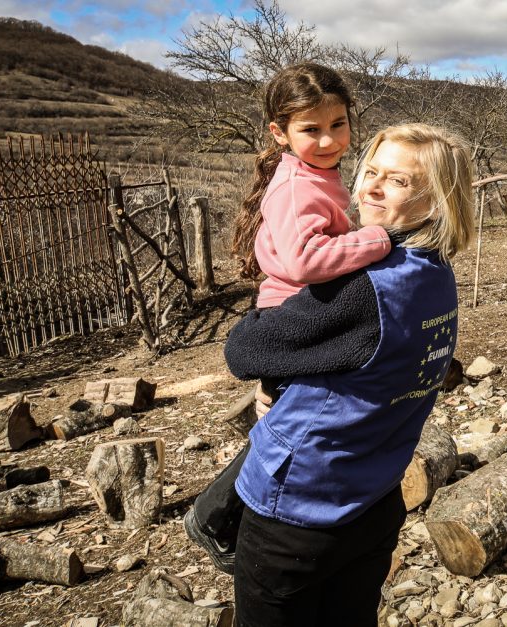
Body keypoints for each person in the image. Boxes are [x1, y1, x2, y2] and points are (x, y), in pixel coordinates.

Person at [224, 123, 475, 626]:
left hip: (298, 510)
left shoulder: (363, 289)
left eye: (399, 181)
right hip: (376, 497)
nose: (372, 189)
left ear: (437, 200)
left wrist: (279, 292)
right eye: (371, 173)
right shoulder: (435, 274)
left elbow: (245, 351)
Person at [184, 62, 391, 574]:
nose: (328, 139)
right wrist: (378, 240)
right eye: (310, 129)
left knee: (284, 424)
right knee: (288, 431)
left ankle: (229, 516)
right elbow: (303, 261)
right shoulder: (299, 186)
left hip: (307, 316)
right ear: (279, 133)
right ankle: (218, 517)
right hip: (296, 322)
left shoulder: (316, 173)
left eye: (337, 124)